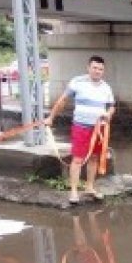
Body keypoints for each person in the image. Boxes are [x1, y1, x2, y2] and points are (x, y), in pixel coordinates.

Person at [44, 55, 115, 205]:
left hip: (99, 129)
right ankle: (74, 191)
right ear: (88, 68)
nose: (97, 71)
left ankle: (89, 187)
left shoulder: (106, 87)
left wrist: (109, 114)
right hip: (81, 127)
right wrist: (51, 117)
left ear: (104, 71)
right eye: (95, 68)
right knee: (77, 159)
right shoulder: (77, 82)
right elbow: (63, 100)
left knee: (94, 158)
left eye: (100, 69)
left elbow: (111, 106)